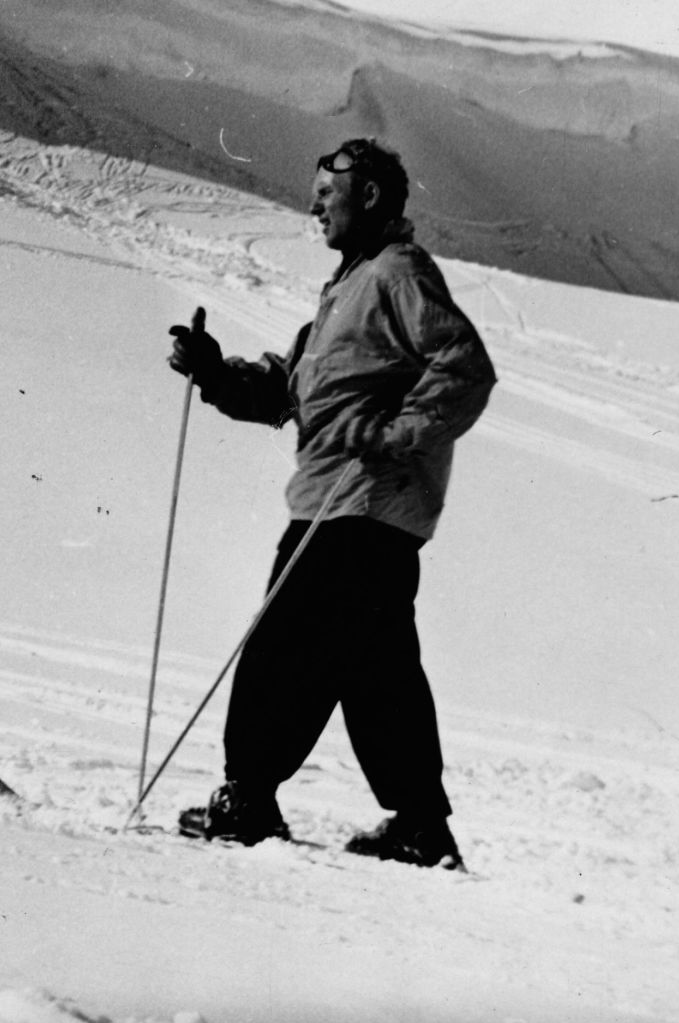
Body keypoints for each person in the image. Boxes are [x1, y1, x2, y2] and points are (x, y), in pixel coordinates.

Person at [165, 136, 498, 867]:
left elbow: (466, 366)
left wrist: (394, 434)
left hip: (359, 502)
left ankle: (248, 798)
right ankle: (418, 824)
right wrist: (217, 373)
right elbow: (293, 389)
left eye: (327, 192)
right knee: (374, 666)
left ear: (370, 195)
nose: (313, 204)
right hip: (347, 503)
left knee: (284, 644)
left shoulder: (397, 274)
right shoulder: (348, 288)